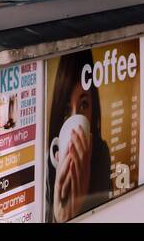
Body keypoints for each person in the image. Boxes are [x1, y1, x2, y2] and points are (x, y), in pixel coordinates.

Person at [45, 51, 113, 223]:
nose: (76, 117)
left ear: (93, 110)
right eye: (67, 110)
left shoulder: (101, 153)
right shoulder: (47, 163)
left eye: (84, 104)